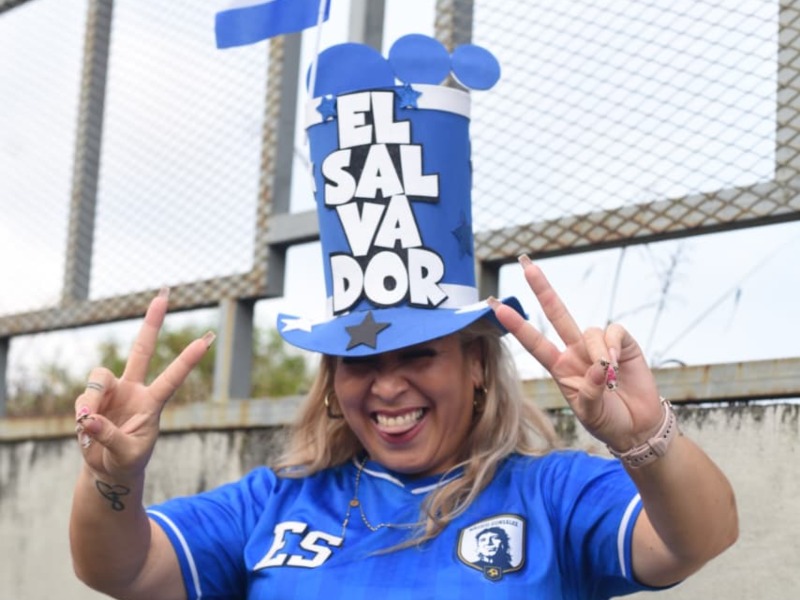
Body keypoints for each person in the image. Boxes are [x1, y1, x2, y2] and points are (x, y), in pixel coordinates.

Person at [69, 34, 737, 600]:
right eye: (360, 360)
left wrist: (647, 436)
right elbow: (119, 568)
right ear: (332, 380)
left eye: (419, 353)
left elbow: (698, 539)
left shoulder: (553, 493)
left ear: (476, 364)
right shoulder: (271, 503)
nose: (387, 385)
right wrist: (113, 477)